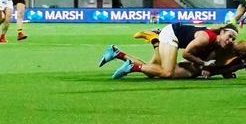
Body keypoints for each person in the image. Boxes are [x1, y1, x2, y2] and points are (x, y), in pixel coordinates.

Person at [100, 23, 238, 79]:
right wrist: (203, 63)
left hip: (175, 39)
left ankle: (117, 53)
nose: (230, 40)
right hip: (171, 35)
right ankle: (134, 65)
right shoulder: (206, 37)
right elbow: (186, 54)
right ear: (222, 31)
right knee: (166, 72)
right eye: (229, 36)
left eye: (233, 39)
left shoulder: (218, 44)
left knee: (153, 71)